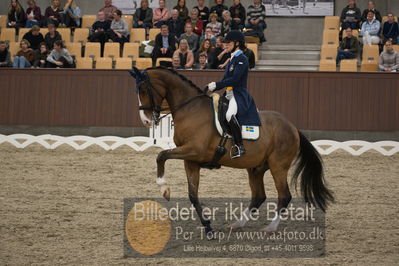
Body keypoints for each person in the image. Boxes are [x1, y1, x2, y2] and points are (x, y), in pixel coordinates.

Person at [207, 30, 261, 159]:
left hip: (238, 93)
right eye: (225, 42)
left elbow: (235, 79)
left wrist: (217, 85)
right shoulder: (232, 59)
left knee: (230, 114)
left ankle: (239, 146)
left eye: (229, 42)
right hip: (229, 93)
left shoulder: (242, 59)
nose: (226, 44)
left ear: (237, 43)